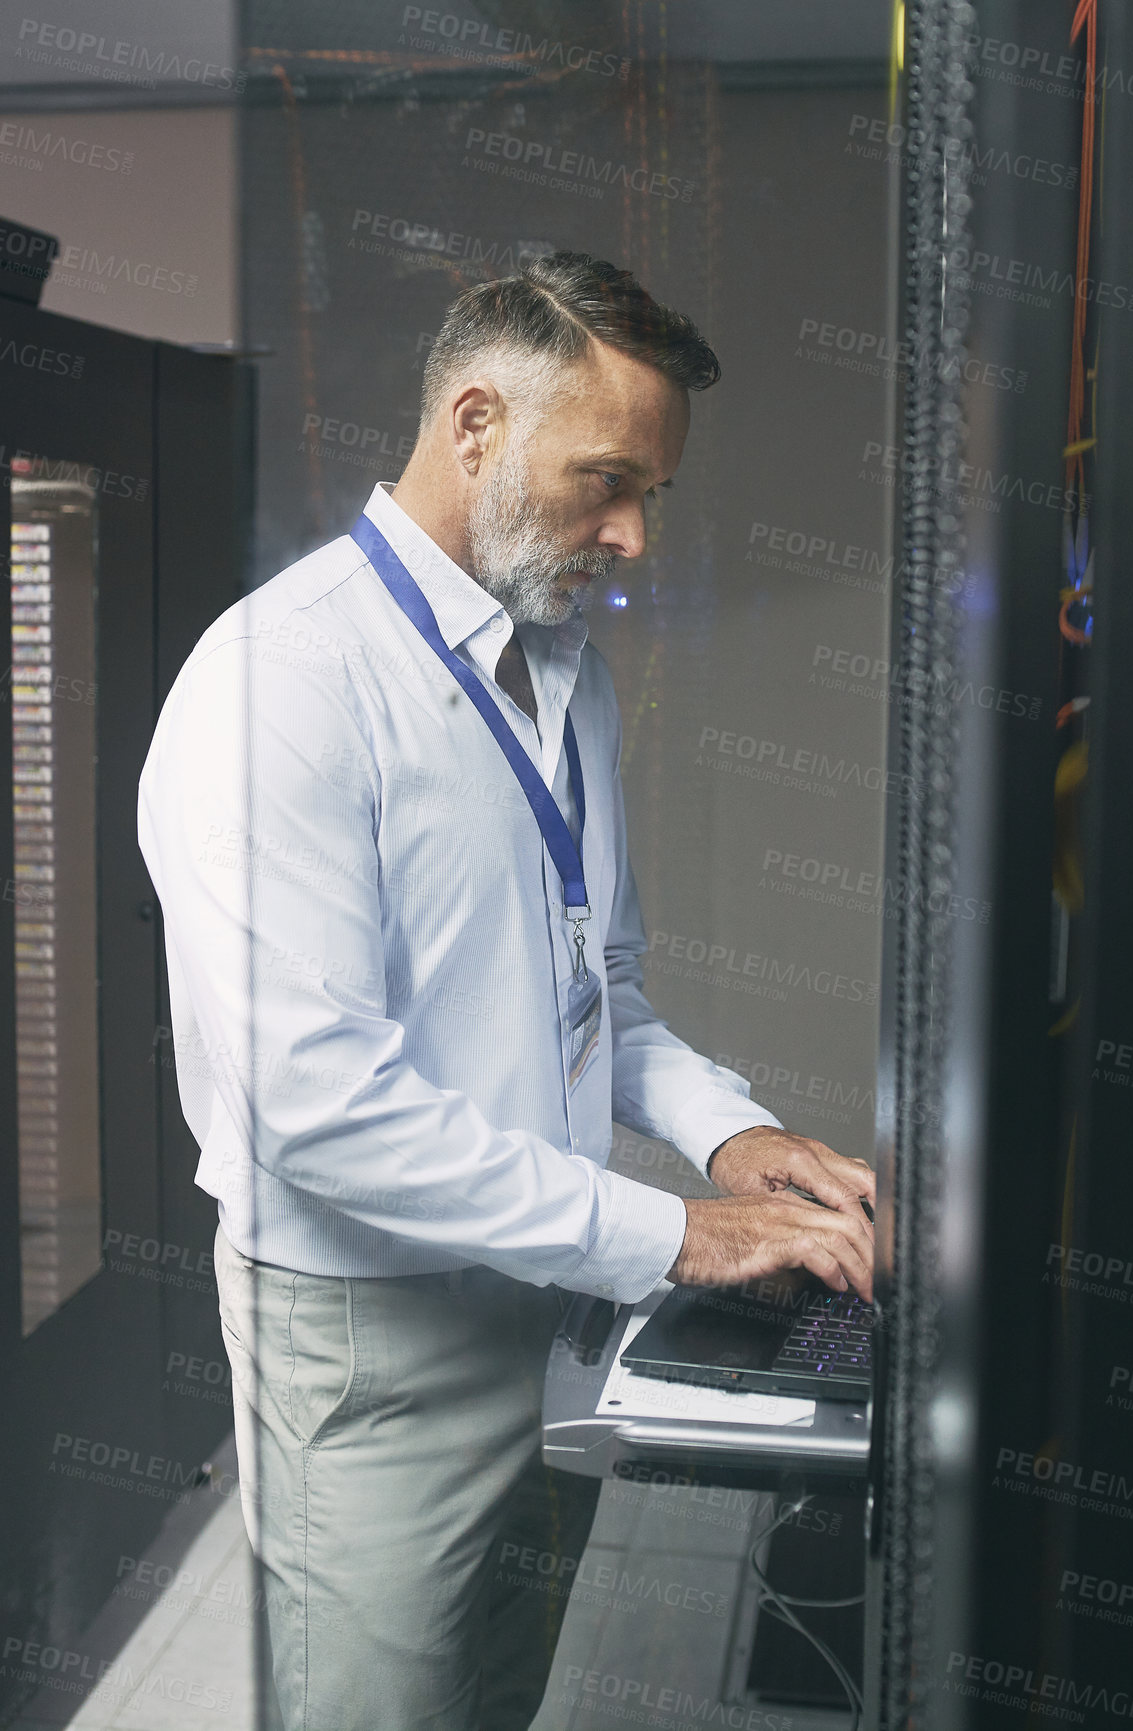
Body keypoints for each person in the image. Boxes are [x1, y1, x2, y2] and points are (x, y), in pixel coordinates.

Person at [137, 251, 875, 1731]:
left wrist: (730, 1139)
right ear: (474, 421)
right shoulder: (279, 683)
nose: (631, 535)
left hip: (547, 1284)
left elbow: (595, 987)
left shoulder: (563, 668)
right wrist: (677, 1235)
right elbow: (322, 1114)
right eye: (606, 480)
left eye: (650, 495)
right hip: (372, 1340)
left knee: (493, 1700)